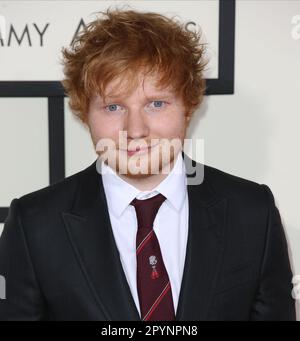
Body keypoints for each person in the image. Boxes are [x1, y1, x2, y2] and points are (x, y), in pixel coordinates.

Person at [0, 8, 296, 321]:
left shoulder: (252, 213)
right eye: (113, 106)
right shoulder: (35, 226)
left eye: (156, 103)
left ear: (189, 105)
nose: (136, 129)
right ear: (85, 114)